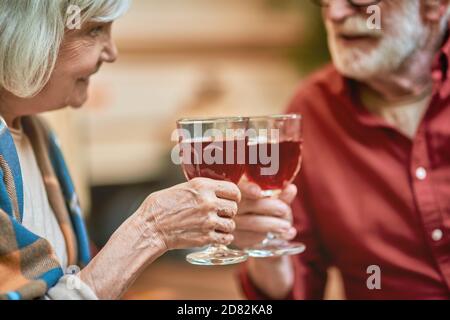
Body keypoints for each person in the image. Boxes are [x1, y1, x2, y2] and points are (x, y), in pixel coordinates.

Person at [0, 0, 240, 300]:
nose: (112, 52)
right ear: (24, 33)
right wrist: (150, 231)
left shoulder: (40, 136)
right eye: (95, 29)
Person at [235, 0, 450, 299]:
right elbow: (295, 285)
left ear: (434, 5)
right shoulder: (312, 111)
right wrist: (267, 250)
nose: (335, 14)